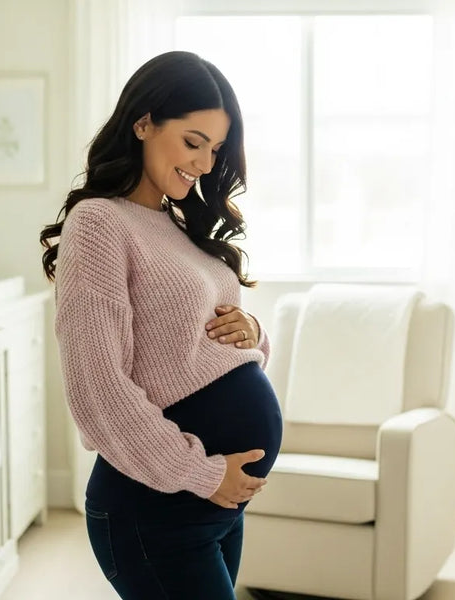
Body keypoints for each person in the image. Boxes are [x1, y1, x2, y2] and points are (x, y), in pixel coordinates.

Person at [40, 50, 283, 599]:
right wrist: (202, 474)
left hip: (212, 505)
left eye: (215, 150)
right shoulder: (100, 224)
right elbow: (97, 388)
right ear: (144, 122)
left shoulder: (176, 223)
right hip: (154, 507)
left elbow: (193, 345)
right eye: (193, 142)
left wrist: (253, 332)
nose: (202, 164)